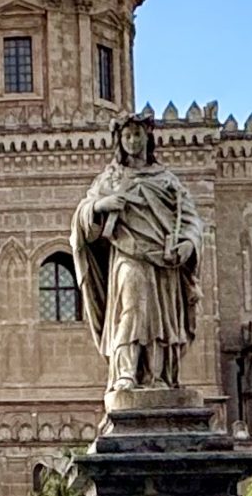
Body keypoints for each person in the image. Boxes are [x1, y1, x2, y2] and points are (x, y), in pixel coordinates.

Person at [71, 113, 201, 393]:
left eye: (137, 134)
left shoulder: (167, 180)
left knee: (159, 318)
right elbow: (83, 216)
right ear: (119, 140)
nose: (132, 140)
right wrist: (101, 204)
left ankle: (157, 376)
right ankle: (126, 373)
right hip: (127, 254)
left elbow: (190, 219)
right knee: (131, 308)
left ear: (148, 137)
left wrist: (189, 244)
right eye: (127, 135)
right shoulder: (111, 178)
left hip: (163, 260)